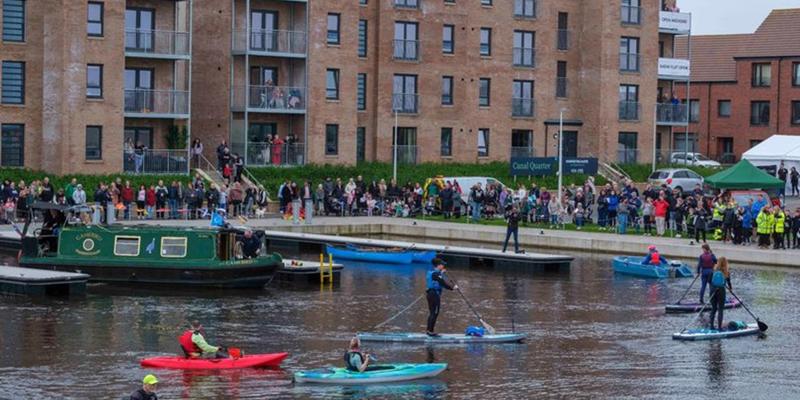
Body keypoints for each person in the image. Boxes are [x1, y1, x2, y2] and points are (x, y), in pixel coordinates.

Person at [426, 258, 457, 337]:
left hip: (431, 294)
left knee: (432, 313)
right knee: (435, 313)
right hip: (434, 295)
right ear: (438, 265)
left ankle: (429, 330)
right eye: (442, 265)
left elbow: (439, 278)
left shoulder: (433, 273)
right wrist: (452, 288)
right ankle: (430, 331)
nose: (443, 266)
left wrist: (441, 273)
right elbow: (443, 283)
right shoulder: (436, 274)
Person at [708, 257, 732, 331]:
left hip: (713, 290)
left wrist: (713, 287)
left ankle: (711, 326)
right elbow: (728, 282)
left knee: (713, 308)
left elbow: (709, 281)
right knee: (720, 309)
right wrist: (730, 289)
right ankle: (719, 328)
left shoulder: (713, 270)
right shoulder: (726, 272)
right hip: (721, 291)